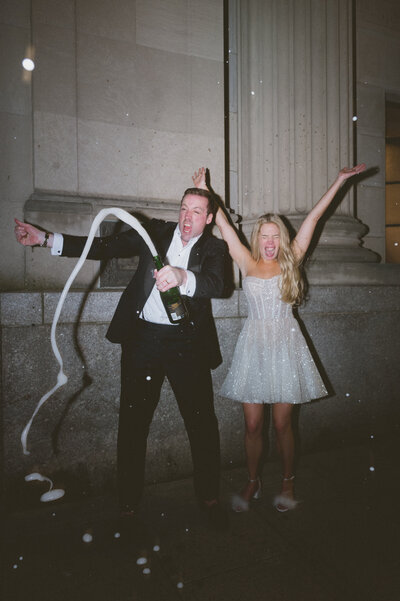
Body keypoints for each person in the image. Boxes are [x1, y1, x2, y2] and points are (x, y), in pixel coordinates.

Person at [14, 184, 231, 530]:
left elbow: (218, 284)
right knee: (132, 423)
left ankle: (209, 498)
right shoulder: (156, 232)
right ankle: (128, 503)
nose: (186, 218)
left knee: (202, 423)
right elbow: (104, 247)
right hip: (142, 340)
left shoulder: (215, 248)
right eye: (183, 208)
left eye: (195, 212)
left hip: (186, 346)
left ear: (208, 218)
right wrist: (45, 240)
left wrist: (183, 276)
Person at [193, 163, 366, 512]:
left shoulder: (292, 259)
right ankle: (253, 481)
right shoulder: (245, 260)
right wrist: (205, 191)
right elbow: (224, 225)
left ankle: (287, 480)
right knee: (253, 424)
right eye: (264, 236)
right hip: (254, 345)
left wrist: (340, 181)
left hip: (287, 344)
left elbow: (314, 219)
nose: (270, 243)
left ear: (282, 239)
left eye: (275, 236)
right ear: (257, 238)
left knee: (282, 422)